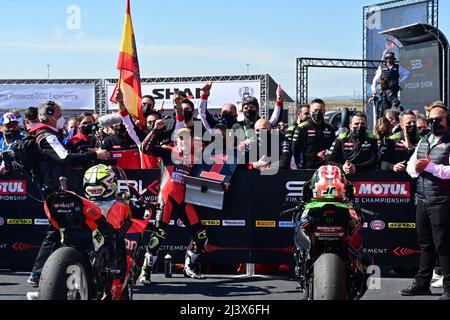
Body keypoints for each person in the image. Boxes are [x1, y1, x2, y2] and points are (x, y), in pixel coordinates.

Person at [26, 101, 110, 286]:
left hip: (57, 188)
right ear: (49, 115)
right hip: (55, 190)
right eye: (59, 113)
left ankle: (45, 272)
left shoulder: (48, 134)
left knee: (60, 230)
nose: (61, 117)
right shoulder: (46, 135)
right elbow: (65, 158)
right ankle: (38, 273)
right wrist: (95, 155)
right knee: (56, 231)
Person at [138, 119, 208, 284]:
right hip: (167, 199)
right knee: (158, 237)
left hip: (185, 199)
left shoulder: (197, 155)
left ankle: (188, 267)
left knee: (201, 237)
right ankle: (145, 272)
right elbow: (145, 148)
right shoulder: (168, 151)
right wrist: (155, 130)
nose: (184, 141)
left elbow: (221, 159)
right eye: (181, 138)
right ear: (176, 140)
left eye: (187, 138)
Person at [401, 102, 450, 300]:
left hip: (442, 201)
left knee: (444, 246)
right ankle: (422, 284)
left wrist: (430, 168)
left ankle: (449, 287)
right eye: (431, 120)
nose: (434, 123)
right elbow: (410, 168)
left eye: (439, 119)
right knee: (425, 244)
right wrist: (418, 168)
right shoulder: (423, 141)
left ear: (447, 120)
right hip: (421, 199)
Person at [292, 98, 336, 169]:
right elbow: (295, 149)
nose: (318, 112)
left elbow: (334, 148)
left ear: (324, 112)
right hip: (307, 167)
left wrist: (326, 151)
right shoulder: (302, 127)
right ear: (310, 111)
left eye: (320, 110)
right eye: (315, 110)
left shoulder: (330, 128)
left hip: (326, 167)